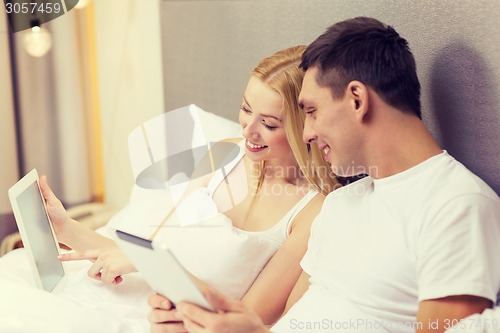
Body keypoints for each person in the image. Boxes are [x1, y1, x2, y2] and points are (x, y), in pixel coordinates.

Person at [150, 17, 500, 333]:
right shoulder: (341, 204)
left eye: (312, 112)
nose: (306, 134)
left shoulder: (456, 205)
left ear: (357, 100)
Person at [40, 45, 339, 326]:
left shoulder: (313, 213)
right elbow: (140, 254)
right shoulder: (223, 153)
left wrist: (145, 264)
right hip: (129, 299)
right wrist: (67, 228)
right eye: (246, 109)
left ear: (305, 126)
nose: (248, 129)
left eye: (269, 124)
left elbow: (248, 319)